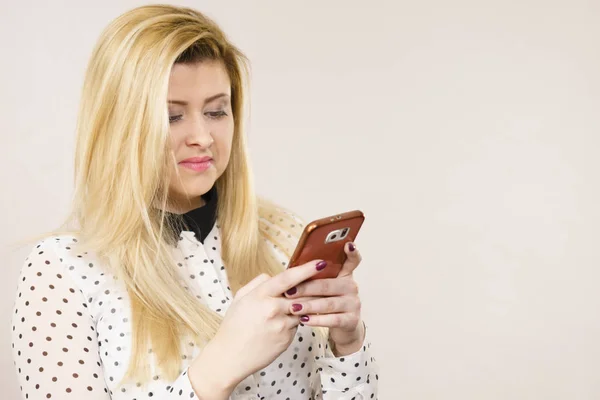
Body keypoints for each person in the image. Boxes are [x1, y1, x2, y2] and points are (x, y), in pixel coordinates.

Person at [10, 4, 379, 399]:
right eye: (172, 116)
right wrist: (217, 369)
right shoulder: (62, 271)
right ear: (120, 125)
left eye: (216, 111)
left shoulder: (282, 237)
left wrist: (348, 342)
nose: (202, 136)